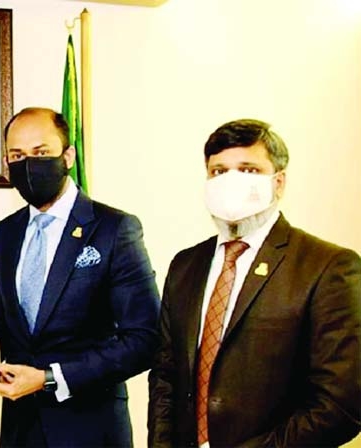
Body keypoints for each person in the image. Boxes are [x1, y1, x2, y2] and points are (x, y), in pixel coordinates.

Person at [148, 119, 361, 447]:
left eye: (248, 170)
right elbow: (166, 375)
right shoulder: (186, 265)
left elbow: (339, 405)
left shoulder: (328, 267)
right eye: (219, 171)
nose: (231, 181)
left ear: (279, 182)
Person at [0, 107, 161, 447]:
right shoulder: (4, 234)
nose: (29, 164)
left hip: (89, 428)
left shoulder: (114, 229)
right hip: (20, 430)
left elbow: (144, 339)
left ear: (68, 155)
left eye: (41, 152)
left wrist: (50, 378)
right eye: (17, 155)